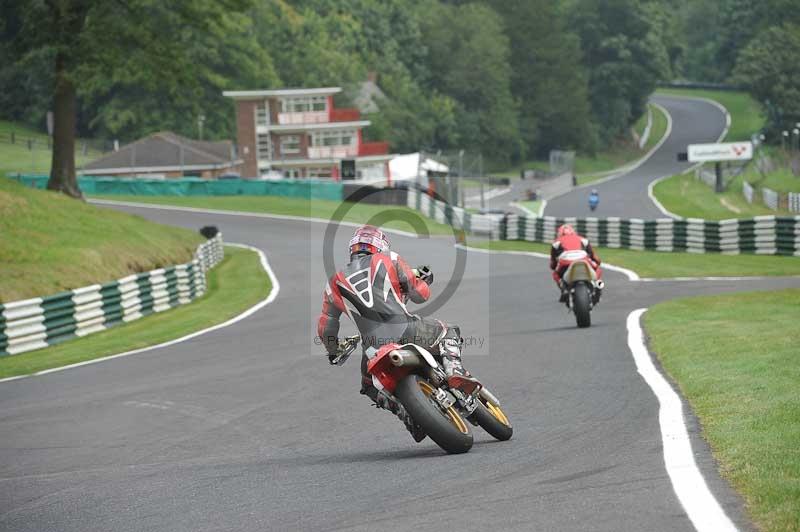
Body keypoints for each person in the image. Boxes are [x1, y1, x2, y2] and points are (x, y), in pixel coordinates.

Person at [316, 225, 478, 440]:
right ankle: (454, 371)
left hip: (372, 348)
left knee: (369, 386)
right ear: (380, 246)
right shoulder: (389, 258)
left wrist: (333, 350)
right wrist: (422, 282)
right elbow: (420, 295)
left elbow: (326, 326)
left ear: (352, 250)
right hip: (407, 329)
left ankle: (407, 416)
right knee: (448, 331)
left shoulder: (333, 284)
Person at [549, 224, 602, 302]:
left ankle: (564, 289)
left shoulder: (556, 243)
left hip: (565, 261)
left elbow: (553, 263)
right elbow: (594, 257)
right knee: (597, 269)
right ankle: (598, 284)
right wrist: (598, 262)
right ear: (573, 232)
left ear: (559, 234)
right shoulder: (583, 240)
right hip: (583, 259)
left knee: (555, 274)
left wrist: (554, 266)